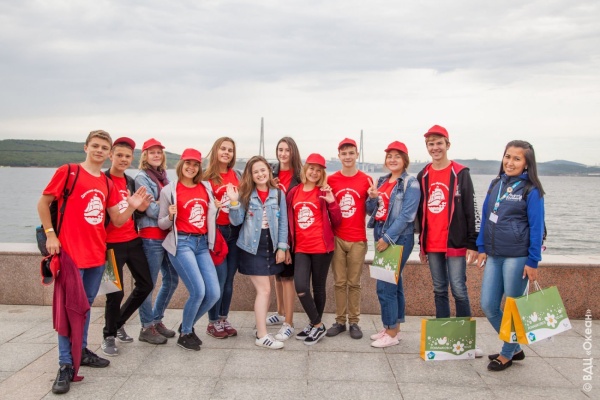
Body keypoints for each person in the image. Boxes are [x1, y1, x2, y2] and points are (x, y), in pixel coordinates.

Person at [37, 130, 149, 395]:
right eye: (95, 146)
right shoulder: (69, 172)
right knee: (69, 310)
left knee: (84, 308)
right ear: (86, 147)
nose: (99, 150)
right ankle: (66, 364)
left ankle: (82, 350)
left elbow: (117, 220)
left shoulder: (106, 183)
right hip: (71, 255)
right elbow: (43, 203)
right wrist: (51, 234)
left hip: (97, 255)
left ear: (108, 153)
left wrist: (132, 205)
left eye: (103, 147)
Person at [476, 140, 545, 371]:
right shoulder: (496, 183)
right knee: (488, 305)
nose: (510, 162)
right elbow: (486, 216)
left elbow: (536, 228)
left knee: (513, 308)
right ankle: (514, 347)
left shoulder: (531, 190)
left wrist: (533, 261)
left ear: (526, 163)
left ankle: (507, 353)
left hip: (517, 256)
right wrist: (481, 246)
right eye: (507, 156)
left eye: (517, 158)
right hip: (494, 255)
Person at [416, 125, 483, 358]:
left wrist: (473, 243)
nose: (435, 148)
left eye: (439, 143)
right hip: (432, 243)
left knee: (459, 289)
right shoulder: (423, 175)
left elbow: (471, 209)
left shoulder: (460, 173)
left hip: (455, 242)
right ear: (427, 147)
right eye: (431, 144)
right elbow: (420, 212)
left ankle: (465, 340)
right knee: (439, 290)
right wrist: (421, 244)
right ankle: (443, 338)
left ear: (447, 145)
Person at [158, 148, 220, 351]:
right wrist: (170, 216)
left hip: (202, 244)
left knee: (213, 293)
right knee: (198, 291)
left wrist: (217, 208)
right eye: (188, 163)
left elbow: (210, 216)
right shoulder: (169, 190)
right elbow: (161, 224)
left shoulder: (206, 187)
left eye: (195, 164)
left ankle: (187, 325)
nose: (191, 167)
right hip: (182, 243)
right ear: (181, 164)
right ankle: (185, 334)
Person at [228, 156, 289, 349]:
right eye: (256, 172)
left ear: (269, 171)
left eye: (263, 170)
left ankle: (260, 328)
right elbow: (236, 221)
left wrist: (282, 247)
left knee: (266, 290)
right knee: (264, 290)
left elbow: (283, 223)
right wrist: (234, 203)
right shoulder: (246, 194)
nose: (260, 174)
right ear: (251, 175)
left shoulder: (278, 194)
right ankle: (262, 335)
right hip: (251, 247)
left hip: (270, 245)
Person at [101, 137, 154, 357]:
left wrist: (141, 208)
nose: (123, 159)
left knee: (146, 285)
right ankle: (108, 336)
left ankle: (117, 323)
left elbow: (134, 212)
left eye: (127, 156)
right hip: (108, 245)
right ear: (110, 155)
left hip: (132, 241)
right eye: (119, 155)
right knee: (114, 293)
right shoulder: (102, 181)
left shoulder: (130, 182)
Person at [366, 141, 420, 347]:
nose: (393, 159)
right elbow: (371, 210)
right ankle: (394, 329)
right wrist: (372, 198)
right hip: (381, 232)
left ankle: (390, 333)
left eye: (397, 156)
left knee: (385, 286)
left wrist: (387, 238)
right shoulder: (382, 181)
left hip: (398, 237)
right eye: (389, 156)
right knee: (394, 284)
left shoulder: (410, 183)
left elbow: (407, 215)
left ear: (405, 160)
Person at [287, 153, 342, 345]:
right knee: (301, 286)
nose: (314, 172)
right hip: (301, 248)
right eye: (311, 168)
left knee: (318, 287)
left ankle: (313, 325)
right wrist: (286, 246)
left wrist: (332, 202)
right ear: (305, 169)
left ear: (322, 173)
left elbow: (337, 221)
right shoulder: (294, 192)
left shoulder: (323, 192)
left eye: (319, 170)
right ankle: (318, 325)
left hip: (322, 248)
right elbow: (287, 219)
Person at [135, 138, 180, 345]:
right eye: (152, 152)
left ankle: (156, 319)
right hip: (151, 237)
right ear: (145, 155)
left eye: (159, 152)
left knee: (171, 279)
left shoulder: (164, 177)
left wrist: (162, 204)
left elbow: (170, 204)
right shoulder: (142, 178)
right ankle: (146, 327)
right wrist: (165, 206)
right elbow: (151, 210)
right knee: (148, 284)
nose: (156, 155)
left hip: (166, 235)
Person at [326, 138, 372, 340]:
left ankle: (354, 322)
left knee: (354, 283)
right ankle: (339, 321)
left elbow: (372, 210)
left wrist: (374, 198)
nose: (347, 157)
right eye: (344, 153)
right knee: (339, 282)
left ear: (357, 155)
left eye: (351, 153)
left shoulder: (366, 179)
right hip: (337, 237)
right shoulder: (331, 180)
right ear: (339, 156)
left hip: (358, 239)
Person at [204, 137, 242, 339]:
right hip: (217, 232)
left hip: (234, 231)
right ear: (216, 151)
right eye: (223, 149)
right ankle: (212, 322)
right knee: (218, 279)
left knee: (229, 279)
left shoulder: (237, 175)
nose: (226, 152)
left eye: (230, 150)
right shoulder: (206, 177)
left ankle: (223, 318)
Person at [267, 137, 302, 341]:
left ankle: (289, 322)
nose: (283, 154)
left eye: (287, 150)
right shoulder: (271, 172)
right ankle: (280, 312)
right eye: (280, 149)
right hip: (273, 231)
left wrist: (288, 243)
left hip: (292, 231)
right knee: (278, 275)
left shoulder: (300, 175)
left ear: (293, 152)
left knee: (288, 277)